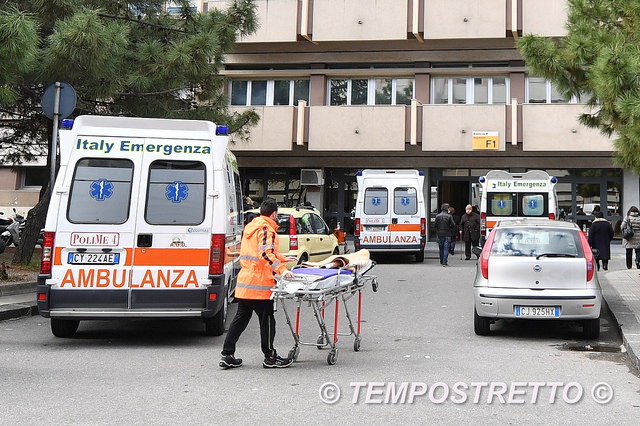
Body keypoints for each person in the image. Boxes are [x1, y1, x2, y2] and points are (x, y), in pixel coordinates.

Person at [220, 199, 297, 369]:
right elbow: (265, 255)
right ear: (274, 214)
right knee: (267, 322)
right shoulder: (267, 229)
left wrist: (282, 258)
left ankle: (227, 354)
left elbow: (257, 252)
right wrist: (282, 270)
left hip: (245, 283)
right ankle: (270, 357)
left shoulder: (251, 227)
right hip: (260, 285)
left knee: (240, 321)